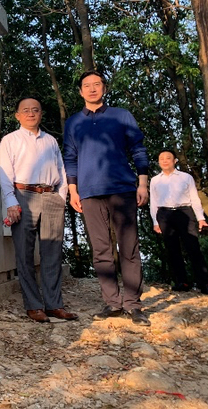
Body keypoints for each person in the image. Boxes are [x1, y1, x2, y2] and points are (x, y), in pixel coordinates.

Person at [63, 70, 151, 326]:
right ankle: (112, 302)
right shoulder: (74, 122)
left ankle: (133, 304)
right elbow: (70, 157)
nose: (92, 89)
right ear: (80, 91)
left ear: (104, 87)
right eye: (87, 85)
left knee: (129, 248)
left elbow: (138, 149)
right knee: (101, 250)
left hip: (122, 189)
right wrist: (73, 190)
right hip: (89, 193)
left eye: (97, 84)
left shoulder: (121, 115)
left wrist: (142, 183)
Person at [0, 96, 78, 323]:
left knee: (52, 252)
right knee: (24, 253)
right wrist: (11, 201)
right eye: (26, 110)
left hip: (51, 196)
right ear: (17, 115)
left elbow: (61, 169)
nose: (31, 113)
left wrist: (61, 196)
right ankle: (33, 305)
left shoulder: (50, 141)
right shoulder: (9, 140)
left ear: (41, 114)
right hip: (23, 196)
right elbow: (5, 173)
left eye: (35, 109)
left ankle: (54, 304)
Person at [150, 149, 208, 294]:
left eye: (168, 158)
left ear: (174, 161)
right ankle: (182, 282)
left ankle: (204, 283)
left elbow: (194, 198)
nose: (164, 161)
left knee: (193, 247)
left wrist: (200, 218)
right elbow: (153, 202)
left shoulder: (186, 177)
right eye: (161, 158)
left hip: (184, 212)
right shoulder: (155, 180)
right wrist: (155, 222)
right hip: (164, 214)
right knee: (172, 249)